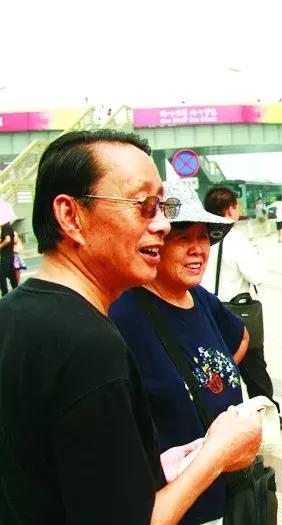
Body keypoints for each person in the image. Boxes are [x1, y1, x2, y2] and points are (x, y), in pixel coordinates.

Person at [0, 130, 262, 524]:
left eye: (160, 207)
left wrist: (156, 467)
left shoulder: (15, 314)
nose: (160, 225)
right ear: (71, 216)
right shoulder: (90, 344)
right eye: (144, 206)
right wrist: (216, 454)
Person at [109, 180, 249, 525]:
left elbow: (241, 336)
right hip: (173, 504)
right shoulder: (123, 313)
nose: (197, 249)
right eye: (182, 237)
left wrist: (211, 383)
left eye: (203, 237)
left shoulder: (200, 298)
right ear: (156, 244)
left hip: (229, 491)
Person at [202, 186, 282, 431]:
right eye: (237, 206)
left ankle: (220, 420)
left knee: (218, 369)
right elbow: (257, 274)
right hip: (237, 313)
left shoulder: (202, 235)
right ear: (230, 209)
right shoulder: (234, 239)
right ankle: (269, 417)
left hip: (208, 310)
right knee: (254, 369)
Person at [0, 219, 17, 295]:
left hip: (6, 255)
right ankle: (16, 291)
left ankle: (5, 293)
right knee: (12, 275)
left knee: (2, 276)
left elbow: (7, 240)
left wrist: (0, 245)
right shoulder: (10, 227)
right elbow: (14, 239)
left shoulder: (5, 227)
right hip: (10, 254)